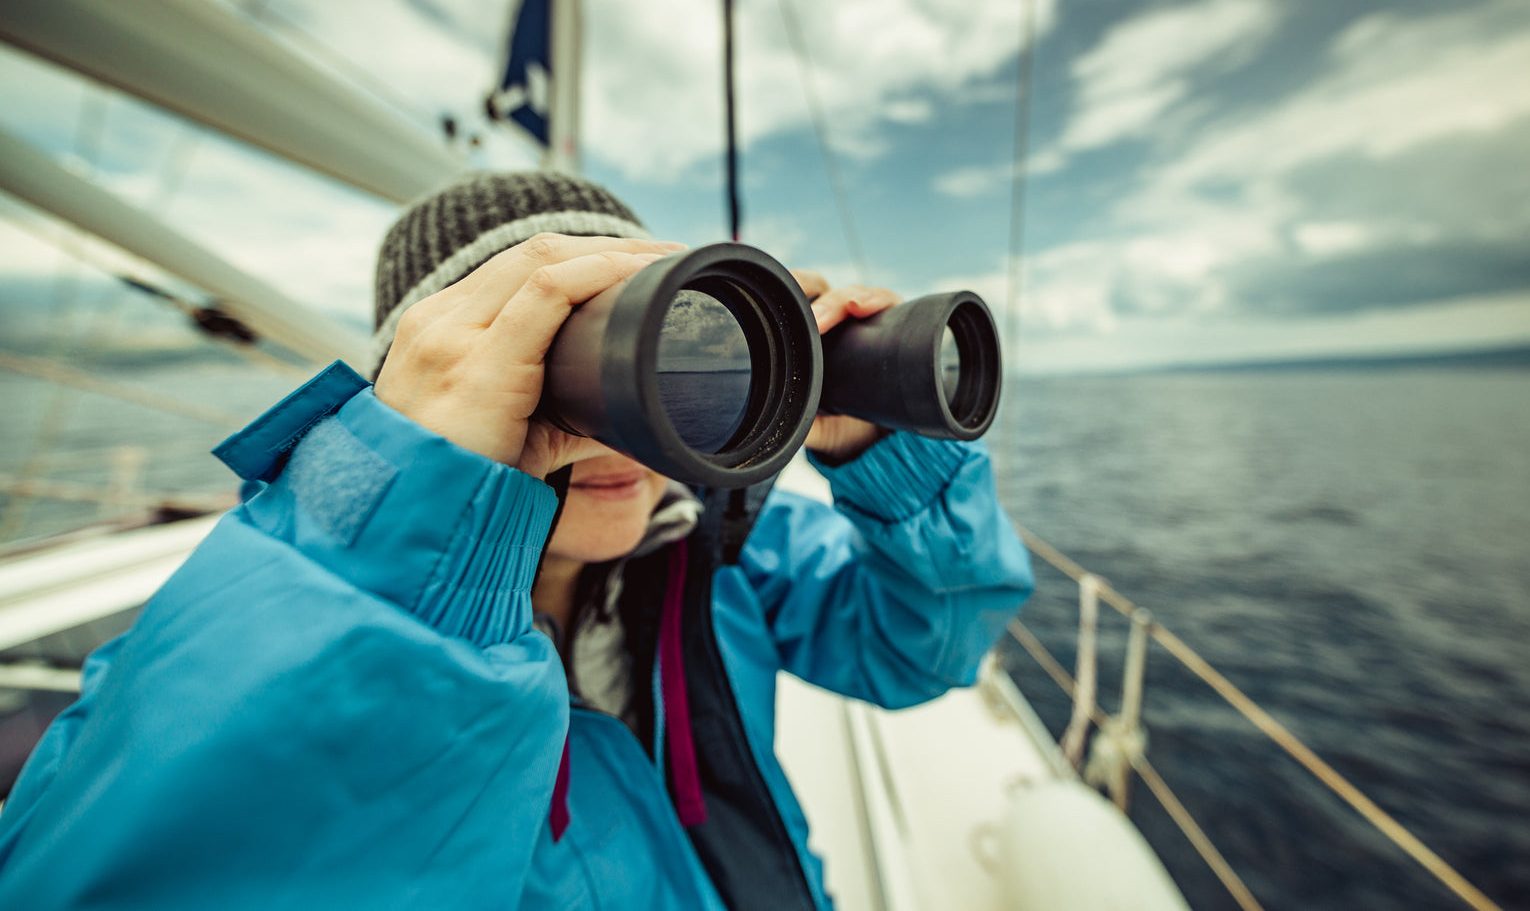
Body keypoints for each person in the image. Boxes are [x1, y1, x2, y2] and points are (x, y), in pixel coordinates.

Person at [0, 172, 1033, 909]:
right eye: (584, 368)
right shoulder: (297, 620)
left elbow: (915, 651)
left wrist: (880, 456)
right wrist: (395, 565)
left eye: (685, 355)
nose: (638, 429)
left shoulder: (720, 547)